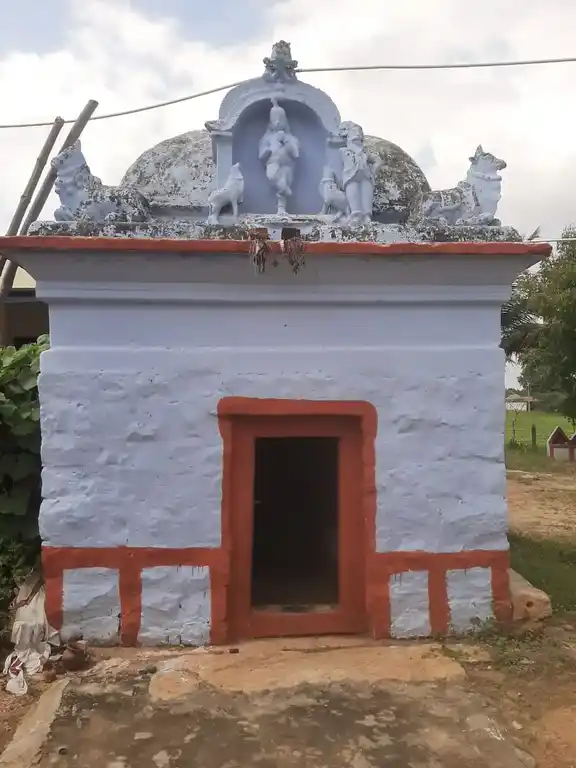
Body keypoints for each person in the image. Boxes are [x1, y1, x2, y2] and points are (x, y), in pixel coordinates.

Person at [258, 99, 300, 215]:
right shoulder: (267, 138)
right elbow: (261, 156)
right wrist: (268, 150)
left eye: (280, 120)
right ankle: (284, 189)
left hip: (287, 167)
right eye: (274, 120)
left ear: (285, 121)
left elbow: (296, 154)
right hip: (273, 164)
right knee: (274, 178)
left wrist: (285, 141)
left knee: (284, 182)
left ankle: (281, 209)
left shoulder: (291, 138)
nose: (277, 122)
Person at [340, 122, 381, 224]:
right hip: (351, 176)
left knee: (366, 194)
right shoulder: (344, 151)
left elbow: (378, 161)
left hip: (366, 176)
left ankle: (367, 216)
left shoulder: (365, 153)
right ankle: (356, 215)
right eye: (355, 133)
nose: (358, 135)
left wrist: (373, 171)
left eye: (359, 134)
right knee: (353, 192)